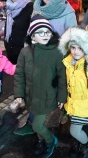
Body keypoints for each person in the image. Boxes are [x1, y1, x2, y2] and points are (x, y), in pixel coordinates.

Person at [13, 15, 67, 158]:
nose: (45, 35)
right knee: (35, 122)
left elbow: (62, 77)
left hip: (46, 96)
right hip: (30, 95)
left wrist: (62, 97)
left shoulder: (57, 53)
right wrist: (19, 94)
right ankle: (40, 138)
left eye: (47, 32)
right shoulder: (25, 52)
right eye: (40, 32)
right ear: (32, 36)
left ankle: (50, 140)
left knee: (37, 125)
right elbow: (19, 74)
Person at [58, 27, 88, 158]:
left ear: (87, 49)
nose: (76, 52)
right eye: (73, 47)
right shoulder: (68, 63)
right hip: (71, 105)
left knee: (74, 130)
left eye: (80, 48)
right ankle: (77, 143)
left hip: (85, 107)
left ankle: (85, 143)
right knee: (75, 126)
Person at [4, 0, 33, 64]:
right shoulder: (9, 8)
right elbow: (7, 27)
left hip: (23, 47)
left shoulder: (30, 7)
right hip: (11, 47)